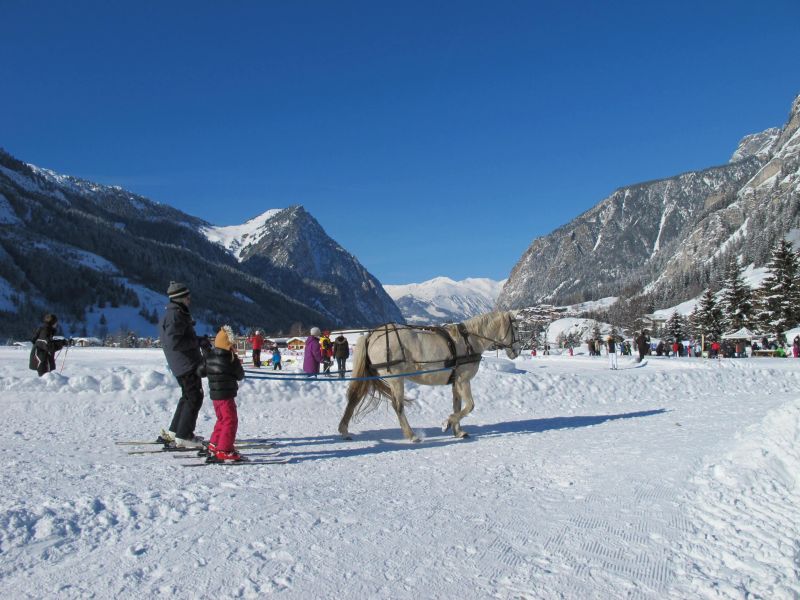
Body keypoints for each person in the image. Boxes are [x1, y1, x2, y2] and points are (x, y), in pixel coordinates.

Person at [158, 281, 205, 448]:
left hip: (181, 363)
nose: (189, 300)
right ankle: (184, 435)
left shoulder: (174, 314)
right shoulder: (175, 315)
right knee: (194, 397)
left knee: (187, 396)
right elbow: (174, 342)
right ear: (179, 298)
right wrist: (197, 341)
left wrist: (197, 341)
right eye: (187, 297)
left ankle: (175, 431)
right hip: (185, 364)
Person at [200, 325, 245, 462]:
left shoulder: (210, 356)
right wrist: (236, 360)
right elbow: (240, 375)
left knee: (222, 419)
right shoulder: (230, 359)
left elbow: (200, 372)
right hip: (226, 395)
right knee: (230, 421)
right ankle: (224, 450)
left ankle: (214, 444)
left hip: (215, 396)